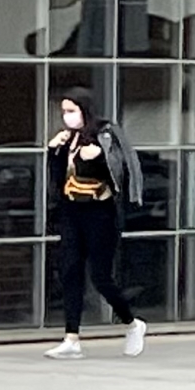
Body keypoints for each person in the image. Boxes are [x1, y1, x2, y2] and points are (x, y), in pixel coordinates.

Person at [45, 87, 144, 360]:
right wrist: (53, 151)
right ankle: (71, 336)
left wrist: (98, 156)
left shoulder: (105, 134)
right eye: (64, 111)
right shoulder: (68, 140)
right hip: (71, 213)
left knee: (100, 277)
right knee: (70, 272)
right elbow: (57, 178)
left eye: (71, 111)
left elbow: (121, 169)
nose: (66, 117)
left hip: (100, 214)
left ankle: (131, 323)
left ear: (84, 110)